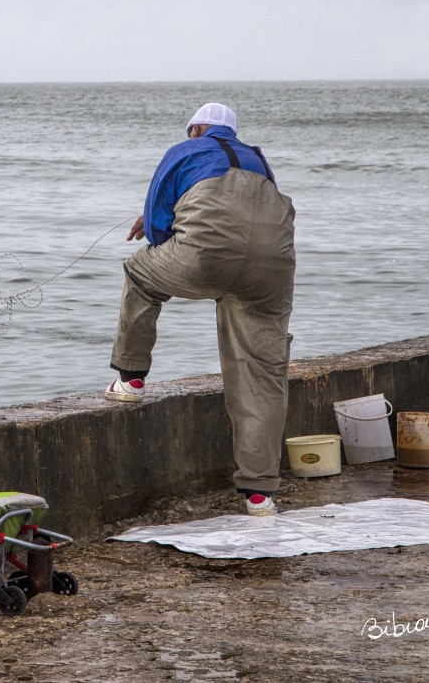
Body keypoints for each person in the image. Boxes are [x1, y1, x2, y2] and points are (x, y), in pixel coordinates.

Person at [106, 102, 295, 516]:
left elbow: (157, 226)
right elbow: (246, 216)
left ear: (196, 129)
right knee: (260, 371)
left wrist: (157, 228)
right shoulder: (258, 160)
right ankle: (260, 493)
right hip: (272, 266)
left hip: (206, 256)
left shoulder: (184, 150)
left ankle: (131, 380)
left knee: (140, 273)